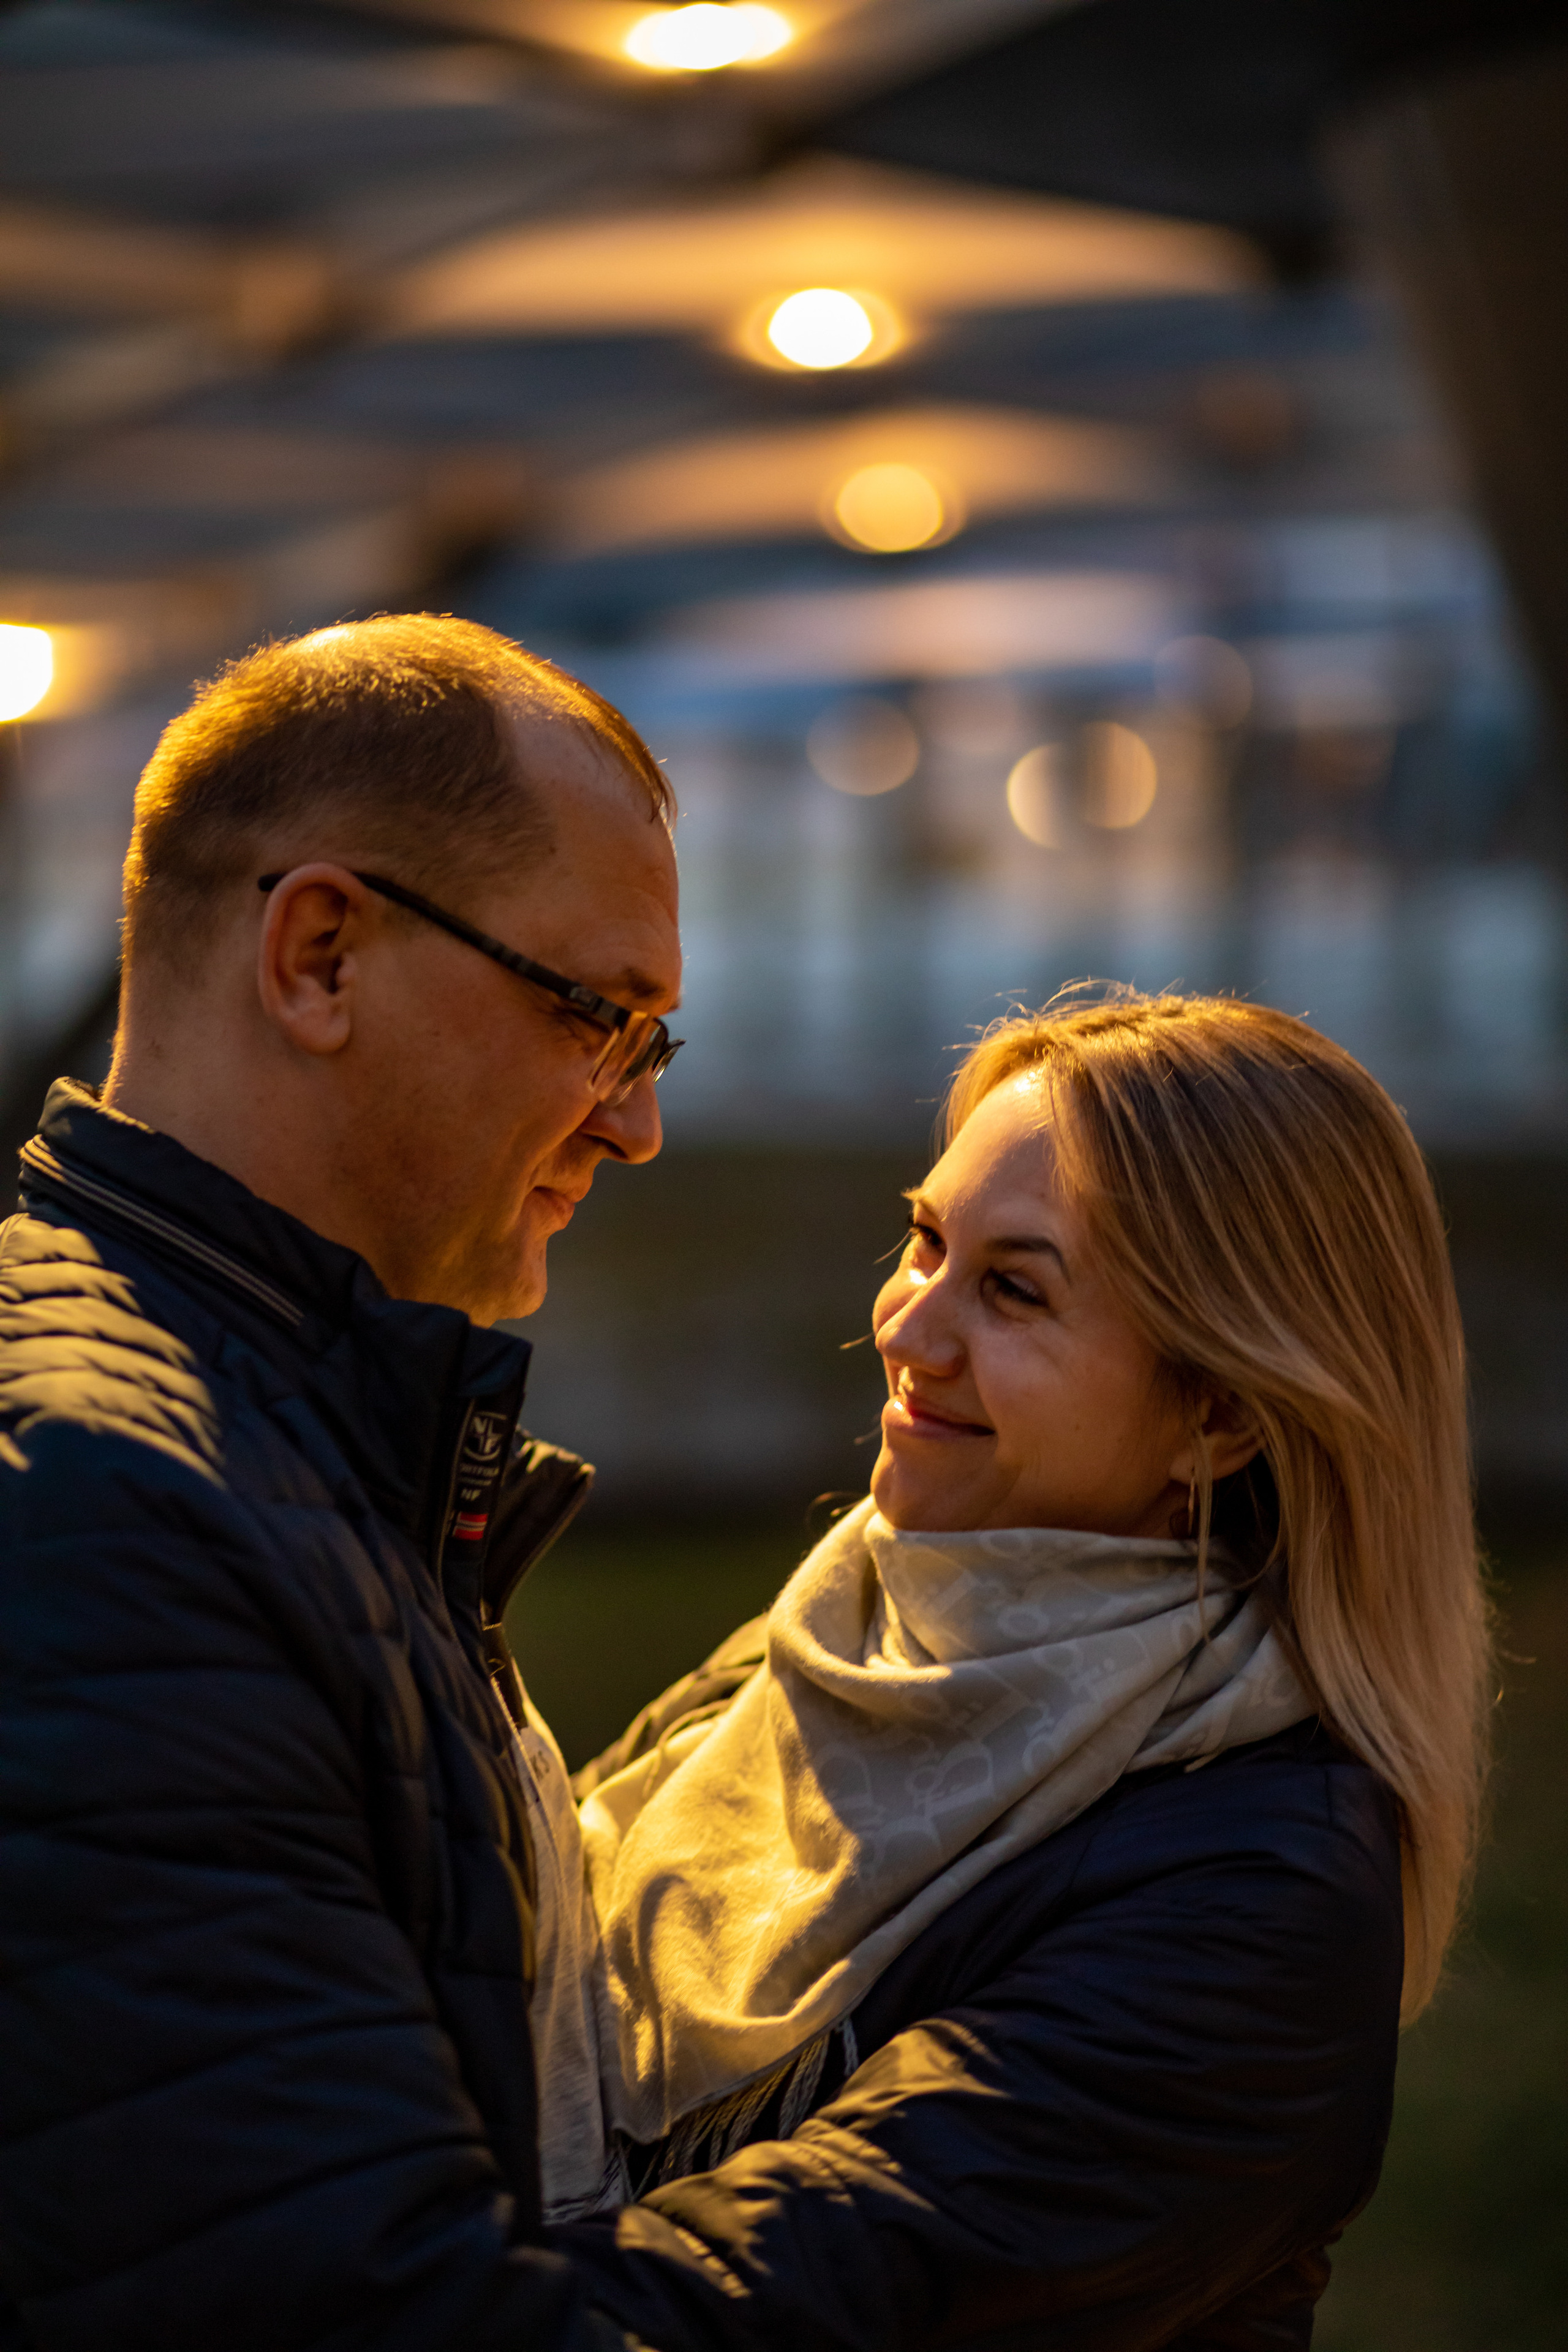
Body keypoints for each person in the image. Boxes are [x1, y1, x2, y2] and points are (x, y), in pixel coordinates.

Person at [559, 994, 1492, 2352]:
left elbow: (757, 2305)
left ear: (1218, 1413)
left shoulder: (1254, 1897)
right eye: (925, 1241)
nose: (904, 1329)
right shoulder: (838, 1630)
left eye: (1011, 1289)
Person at [0, 615, 684, 2349]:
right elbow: (360, 2303)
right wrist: (962, 2154)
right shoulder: (108, 1509)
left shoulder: (269, 1435)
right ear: (318, 956)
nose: (633, 1121)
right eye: (602, 1018)